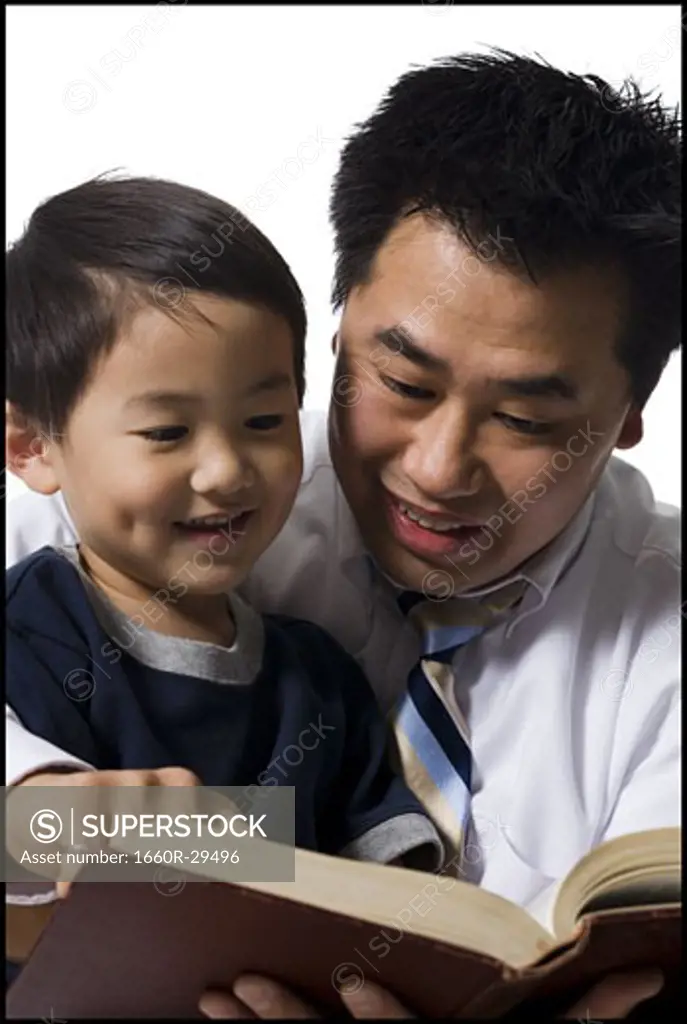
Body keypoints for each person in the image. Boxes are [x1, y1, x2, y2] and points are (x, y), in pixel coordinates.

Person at [6, 50, 680, 1019]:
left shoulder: (663, 627)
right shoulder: (158, 508)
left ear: (627, 413)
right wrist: (36, 801)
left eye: (529, 421)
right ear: (335, 331)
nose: (440, 469)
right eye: (404, 384)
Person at [4, 175, 444, 984]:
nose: (226, 470)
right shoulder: (30, 631)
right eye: (167, 431)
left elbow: (391, 889)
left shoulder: (319, 677)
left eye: (264, 422)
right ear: (33, 446)